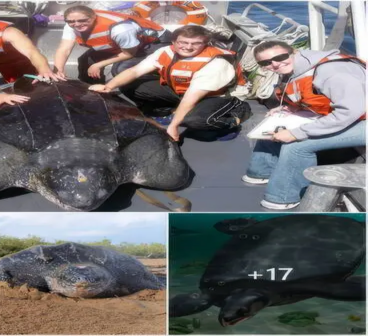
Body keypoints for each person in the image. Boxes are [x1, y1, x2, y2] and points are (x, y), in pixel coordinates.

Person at [242, 41, 366, 210]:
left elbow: (349, 112)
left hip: (359, 121)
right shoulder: (295, 68)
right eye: (266, 63)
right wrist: (289, 109)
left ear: (293, 52)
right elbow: (315, 97)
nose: (275, 64)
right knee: (276, 122)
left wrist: (298, 133)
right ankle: (261, 172)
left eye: (280, 57)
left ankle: (282, 198)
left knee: (297, 145)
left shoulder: (332, 71)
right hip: (346, 116)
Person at [88, 25, 251, 141]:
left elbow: (191, 98)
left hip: (218, 96)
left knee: (194, 121)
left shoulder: (215, 63)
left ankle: (233, 119)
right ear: (173, 42)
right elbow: (135, 71)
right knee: (130, 85)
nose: (188, 47)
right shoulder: (166, 51)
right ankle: (172, 110)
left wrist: (174, 125)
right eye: (183, 42)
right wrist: (108, 86)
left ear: (205, 44)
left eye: (195, 43)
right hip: (182, 91)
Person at [54, 5, 170, 85]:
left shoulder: (120, 29)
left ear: (93, 17)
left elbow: (129, 53)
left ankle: (154, 101)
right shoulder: (71, 25)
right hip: (123, 45)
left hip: (154, 43)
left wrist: (99, 64)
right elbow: (64, 49)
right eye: (71, 21)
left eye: (82, 20)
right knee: (86, 61)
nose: (77, 24)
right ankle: (92, 93)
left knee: (120, 69)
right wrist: (58, 71)